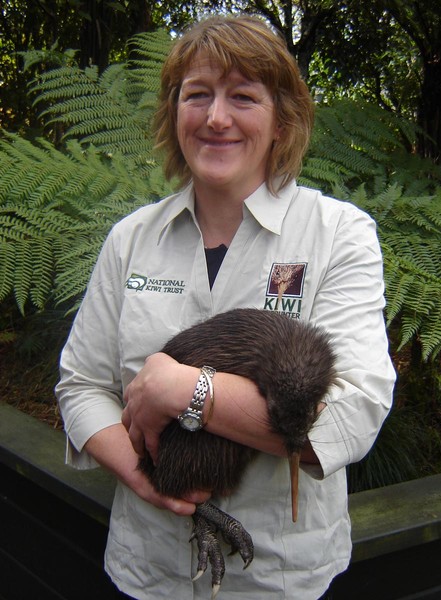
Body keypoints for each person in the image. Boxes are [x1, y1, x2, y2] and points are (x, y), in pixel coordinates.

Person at [56, 14, 396, 600]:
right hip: (146, 571)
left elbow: (350, 417)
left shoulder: (337, 233)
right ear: (174, 113)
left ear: (281, 118)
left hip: (280, 579)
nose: (216, 117)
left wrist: (186, 390)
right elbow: (80, 386)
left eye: (243, 96)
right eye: (197, 95)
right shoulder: (132, 239)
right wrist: (154, 486)